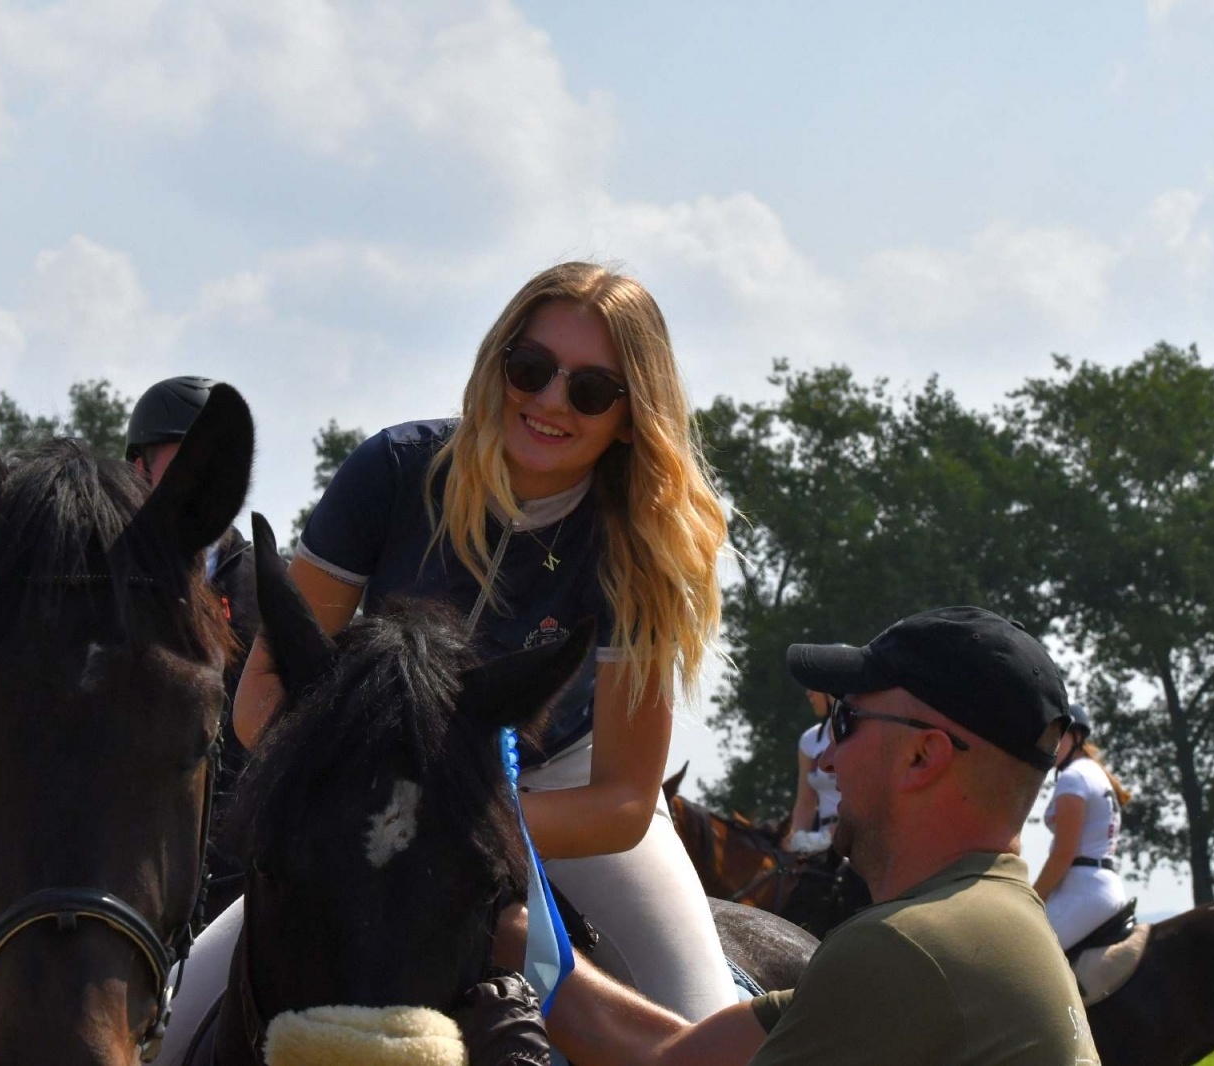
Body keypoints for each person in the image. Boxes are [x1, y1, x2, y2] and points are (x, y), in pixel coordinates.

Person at [231, 261, 737, 1020]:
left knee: (701, 1024)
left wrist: (456, 818)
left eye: (591, 390)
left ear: (632, 417)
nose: (549, 402)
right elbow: (260, 697)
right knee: (184, 1019)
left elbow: (627, 801)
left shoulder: (644, 544)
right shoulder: (392, 470)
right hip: (362, 783)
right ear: (496, 361)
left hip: (562, 789)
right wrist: (351, 791)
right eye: (529, 369)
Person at [528, 606, 1100, 1066]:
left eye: (845, 723)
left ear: (923, 756)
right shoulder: (989, 922)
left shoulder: (905, 949)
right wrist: (517, 926)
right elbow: (673, 1055)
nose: (826, 759)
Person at [126, 375, 258, 921]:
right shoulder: (97, 582)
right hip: (128, 864)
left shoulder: (268, 586)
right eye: (184, 463)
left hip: (240, 877)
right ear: (139, 468)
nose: (202, 481)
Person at [1032, 702, 1132, 951]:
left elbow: (1064, 854)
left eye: (1058, 736)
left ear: (1076, 737)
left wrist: (1031, 900)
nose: (1050, 743)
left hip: (1083, 891)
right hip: (1095, 887)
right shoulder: (1093, 772)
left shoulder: (1074, 777)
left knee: (1020, 954)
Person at [783, 690, 838, 856]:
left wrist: (837, 832)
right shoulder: (810, 740)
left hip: (859, 837)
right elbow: (806, 801)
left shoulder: (862, 734)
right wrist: (798, 838)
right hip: (822, 840)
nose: (808, 694)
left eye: (814, 686)